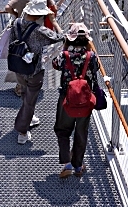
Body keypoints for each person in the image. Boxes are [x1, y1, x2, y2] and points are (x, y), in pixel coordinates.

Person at [12, 0, 64, 145]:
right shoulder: (40, 30)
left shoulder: (15, 23)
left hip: (18, 66)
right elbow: (60, 37)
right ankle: (22, 131)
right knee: (30, 100)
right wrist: (53, 21)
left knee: (24, 93)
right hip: (34, 69)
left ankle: (30, 117)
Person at [52, 22, 99, 178]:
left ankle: (67, 164)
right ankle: (78, 166)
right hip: (85, 101)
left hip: (67, 98)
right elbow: (96, 68)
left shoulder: (64, 56)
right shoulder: (91, 56)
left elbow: (55, 65)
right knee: (81, 132)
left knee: (63, 130)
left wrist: (64, 50)